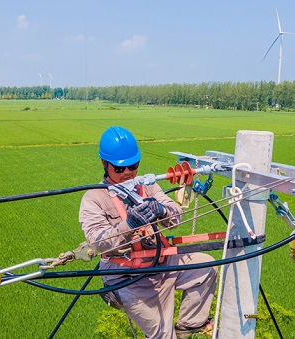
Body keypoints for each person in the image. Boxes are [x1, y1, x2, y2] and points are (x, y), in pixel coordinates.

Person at [79, 126, 217, 339]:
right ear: (104, 165)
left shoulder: (146, 186)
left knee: (205, 270)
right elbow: (97, 243)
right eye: (119, 168)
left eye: (133, 166)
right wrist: (129, 224)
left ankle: (187, 327)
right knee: (162, 336)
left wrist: (160, 210)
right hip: (127, 276)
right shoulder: (94, 198)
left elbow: (176, 217)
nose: (127, 173)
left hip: (160, 264)